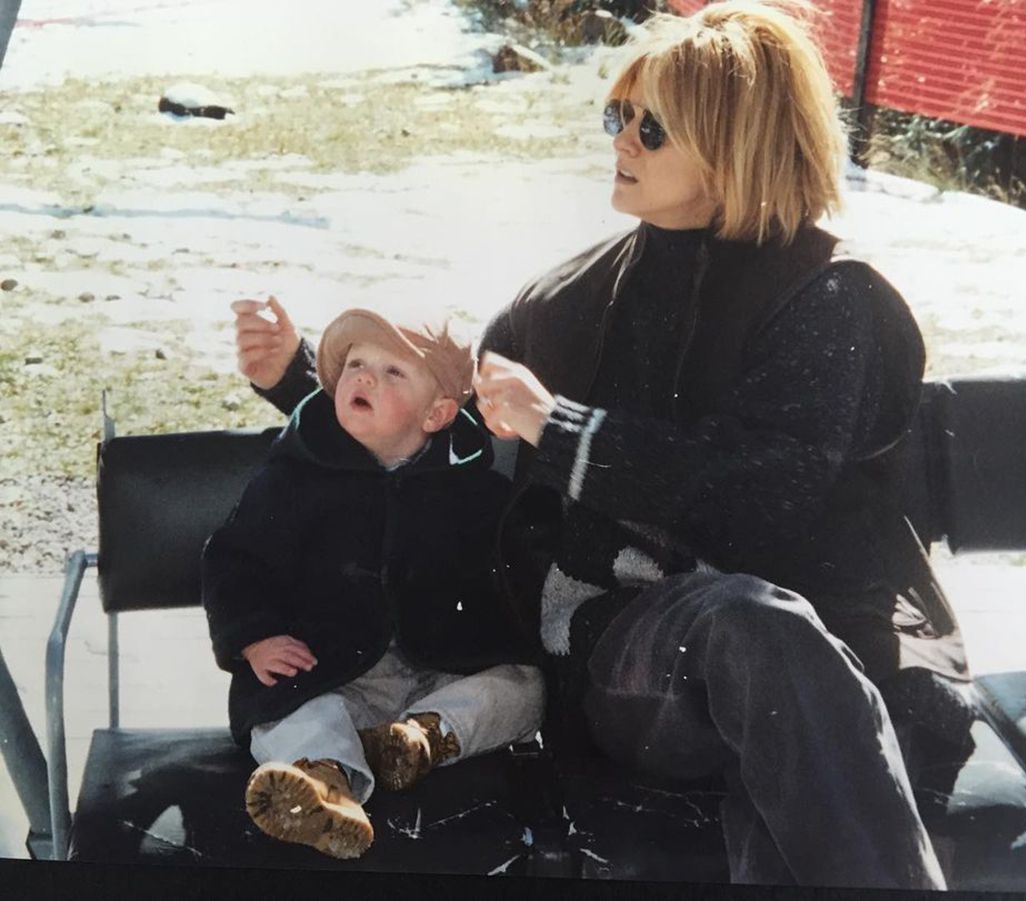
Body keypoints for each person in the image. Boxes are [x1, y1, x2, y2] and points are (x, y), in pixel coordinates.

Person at [231, 1, 971, 887]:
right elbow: (435, 408)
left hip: (833, 646)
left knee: (770, 658)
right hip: (630, 660)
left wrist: (564, 428)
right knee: (751, 632)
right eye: (615, 114)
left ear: (736, 141)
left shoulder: (831, 301)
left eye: (650, 127)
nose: (620, 140)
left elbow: (761, 500)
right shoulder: (574, 296)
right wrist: (300, 373)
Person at [202, 307, 544, 860]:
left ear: (437, 413)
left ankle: (422, 739)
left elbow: (507, 578)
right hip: (327, 670)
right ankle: (322, 788)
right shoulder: (294, 476)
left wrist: (486, 632)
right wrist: (254, 636)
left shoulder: (472, 491)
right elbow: (235, 559)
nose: (363, 378)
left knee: (524, 688)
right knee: (286, 709)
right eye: (356, 364)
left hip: (436, 674)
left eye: (392, 373)